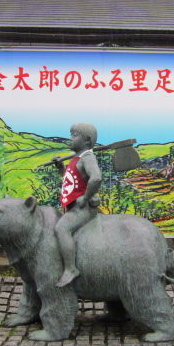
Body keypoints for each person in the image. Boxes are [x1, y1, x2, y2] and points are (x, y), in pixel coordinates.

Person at [52, 123, 102, 287]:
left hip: (83, 208)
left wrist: (86, 197)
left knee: (61, 228)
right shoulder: (76, 159)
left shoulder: (87, 157)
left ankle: (71, 269)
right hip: (73, 207)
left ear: (87, 140)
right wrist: (61, 168)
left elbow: (96, 178)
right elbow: (71, 181)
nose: (70, 138)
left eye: (74, 135)